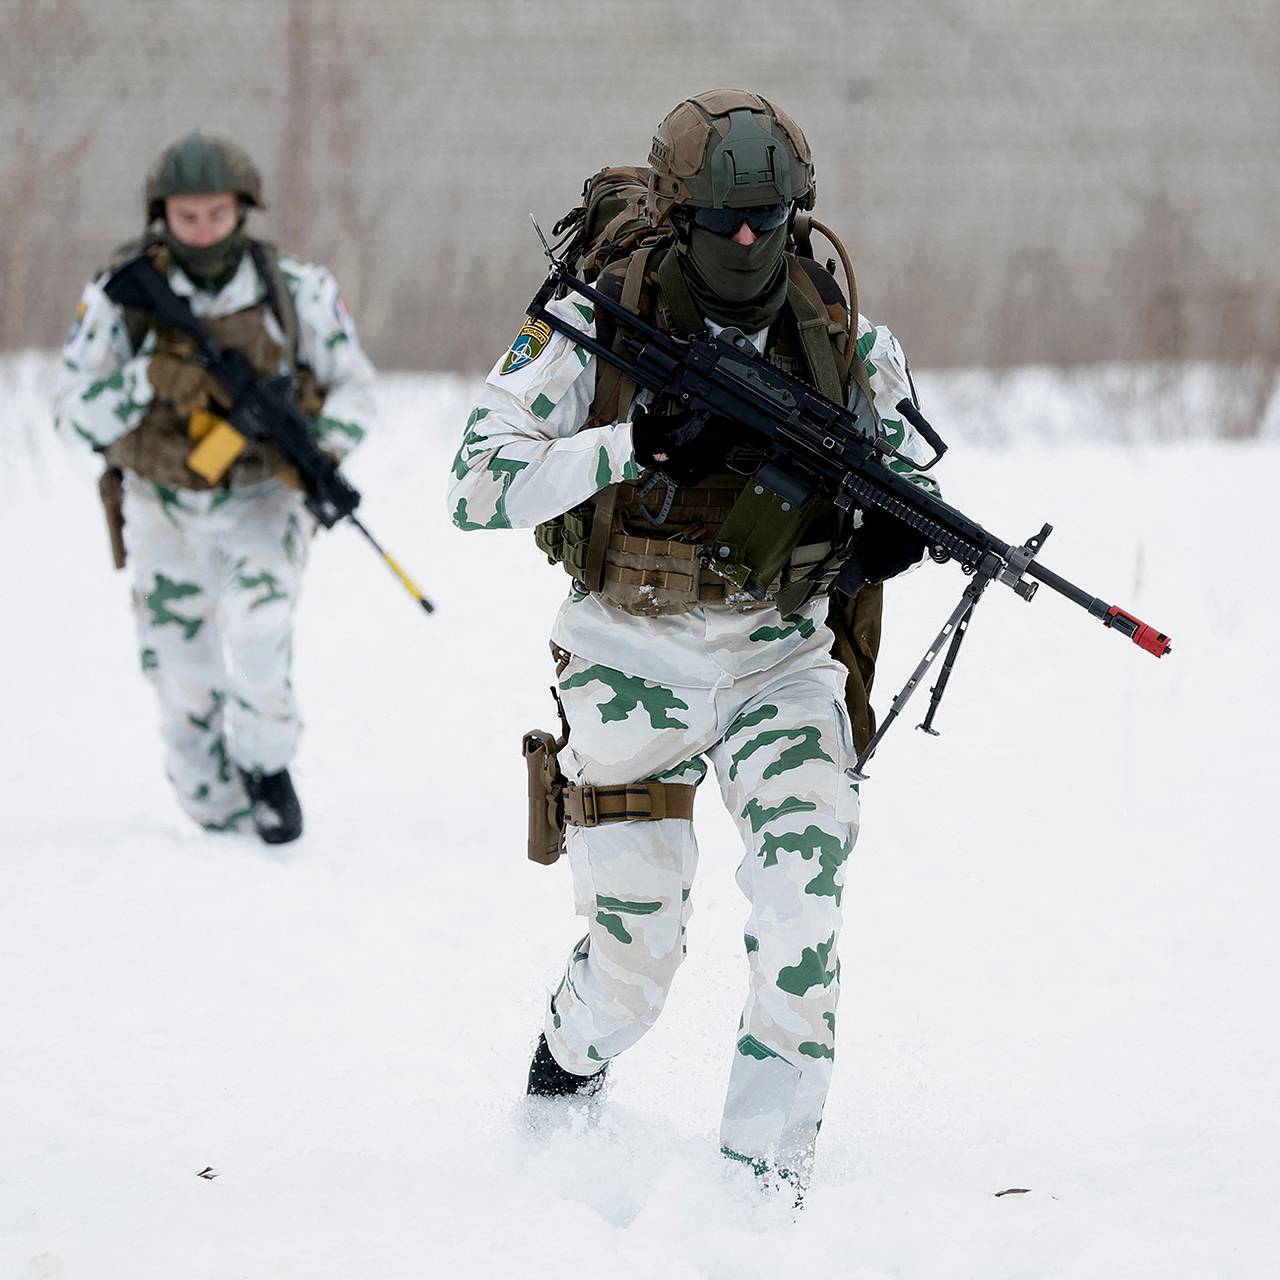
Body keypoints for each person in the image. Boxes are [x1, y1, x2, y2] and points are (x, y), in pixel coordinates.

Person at [448, 90, 940, 1190]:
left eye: (770, 217)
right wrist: (630, 442)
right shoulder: (588, 328)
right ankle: (559, 1086)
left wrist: (888, 535)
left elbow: (911, 477)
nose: (749, 241)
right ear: (676, 217)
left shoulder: (844, 339)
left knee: (802, 909)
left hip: (779, 661)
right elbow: (474, 484)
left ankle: (760, 1194)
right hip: (629, 657)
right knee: (633, 962)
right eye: (723, 220)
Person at [54, 132, 376, 843]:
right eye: (186, 216)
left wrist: (314, 453)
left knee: (260, 636)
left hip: (263, 497)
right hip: (160, 504)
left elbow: (357, 390)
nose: (203, 231)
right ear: (160, 214)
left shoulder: (295, 288)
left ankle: (266, 768)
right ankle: (214, 823)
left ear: (243, 208)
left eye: (217, 215)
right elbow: (72, 414)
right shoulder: (122, 296)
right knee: (183, 680)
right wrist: (146, 378)